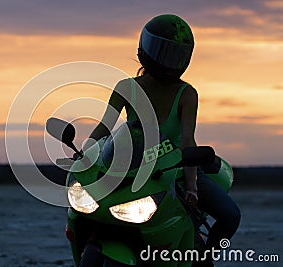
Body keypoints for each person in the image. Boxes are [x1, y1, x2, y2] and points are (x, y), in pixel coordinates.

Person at [84, 14, 241, 266]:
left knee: (230, 216)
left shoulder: (186, 93)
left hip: (176, 169)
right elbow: (104, 127)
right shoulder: (127, 87)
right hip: (133, 167)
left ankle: (202, 258)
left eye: (175, 54)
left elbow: (187, 140)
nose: (167, 60)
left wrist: (191, 187)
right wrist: (84, 156)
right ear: (145, 47)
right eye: (162, 51)